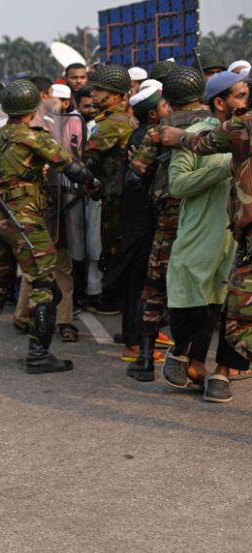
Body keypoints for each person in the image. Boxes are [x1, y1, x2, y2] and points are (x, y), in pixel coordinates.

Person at [0, 80, 97, 375]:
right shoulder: (35, 137)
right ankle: (38, 354)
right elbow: (70, 165)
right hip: (25, 219)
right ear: (32, 108)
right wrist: (93, 183)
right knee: (43, 285)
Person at [160, 78, 252, 402]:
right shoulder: (202, 134)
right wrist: (226, 167)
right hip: (203, 234)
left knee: (237, 308)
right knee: (197, 304)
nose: (246, 99)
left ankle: (222, 373)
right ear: (219, 102)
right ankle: (188, 357)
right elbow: (178, 186)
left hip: (241, 237)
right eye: (240, 95)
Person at [127, 66, 212, 381]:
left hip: (168, 219)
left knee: (155, 285)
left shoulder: (161, 128)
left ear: (169, 98)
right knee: (207, 287)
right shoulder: (216, 125)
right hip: (207, 219)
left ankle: (146, 360)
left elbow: (136, 172)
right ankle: (195, 358)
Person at [109, 84, 169, 365]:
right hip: (142, 220)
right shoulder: (148, 137)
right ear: (154, 115)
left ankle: (144, 334)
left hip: (137, 218)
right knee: (140, 283)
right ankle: (133, 344)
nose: (169, 110)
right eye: (164, 107)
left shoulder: (142, 133)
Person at [82, 64, 136, 314]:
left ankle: (114, 299)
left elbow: (88, 158)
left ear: (118, 95)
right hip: (114, 193)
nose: (94, 94)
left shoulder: (113, 123)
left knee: (114, 246)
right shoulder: (112, 120)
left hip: (116, 195)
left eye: (101, 90)